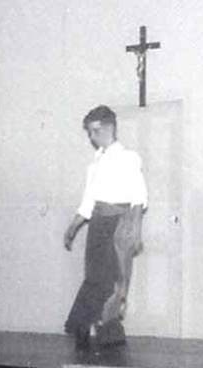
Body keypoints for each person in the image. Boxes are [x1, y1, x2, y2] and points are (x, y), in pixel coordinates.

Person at [63, 105, 147, 349]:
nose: (91, 137)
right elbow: (89, 201)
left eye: (94, 131)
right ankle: (99, 330)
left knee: (112, 280)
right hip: (97, 225)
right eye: (89, 132)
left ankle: (93, 327)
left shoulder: (129, 157)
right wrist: (74, 226)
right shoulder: (96, 162)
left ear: (109, 127)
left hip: (118, 224)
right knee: (95, 277)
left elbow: (139, 198)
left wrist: (135, 231)